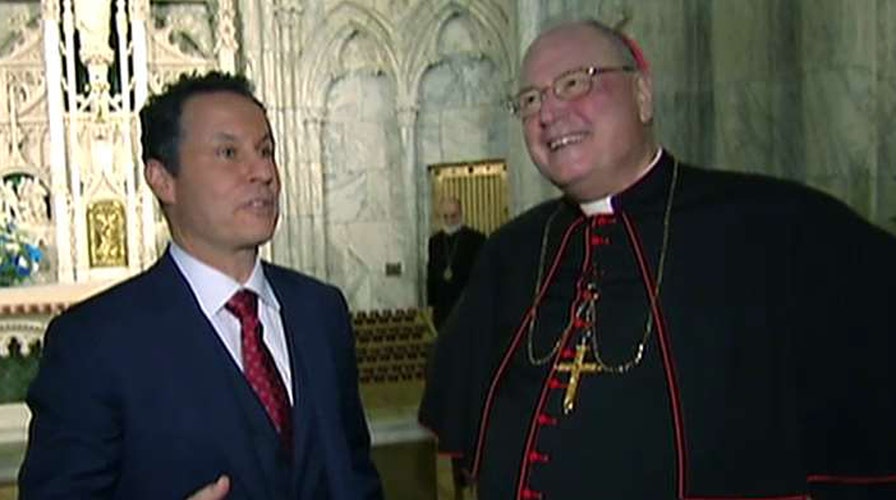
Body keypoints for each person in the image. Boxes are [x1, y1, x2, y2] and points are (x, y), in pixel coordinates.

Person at [419, 18, 896, 499]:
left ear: (643, 94)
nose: (549, 112)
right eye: (530, 100)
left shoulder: (777, 226)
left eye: (573, 82)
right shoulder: (511, 252)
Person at [19, 71, 383, 500]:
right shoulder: (94, 343)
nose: (263, 171)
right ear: (162, 179)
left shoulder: (321, 311)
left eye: (266, 150)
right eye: (228, 152)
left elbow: (354, 473)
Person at [426, 196, 486, 330]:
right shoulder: (435, 242)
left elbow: (481, 275)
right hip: (442, 308)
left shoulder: (476, 239)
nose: (449, 220)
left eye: (453, 216)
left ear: (461, 214)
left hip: (466, 306)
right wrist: (430, 304)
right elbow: (431, 273)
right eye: (445, 216)